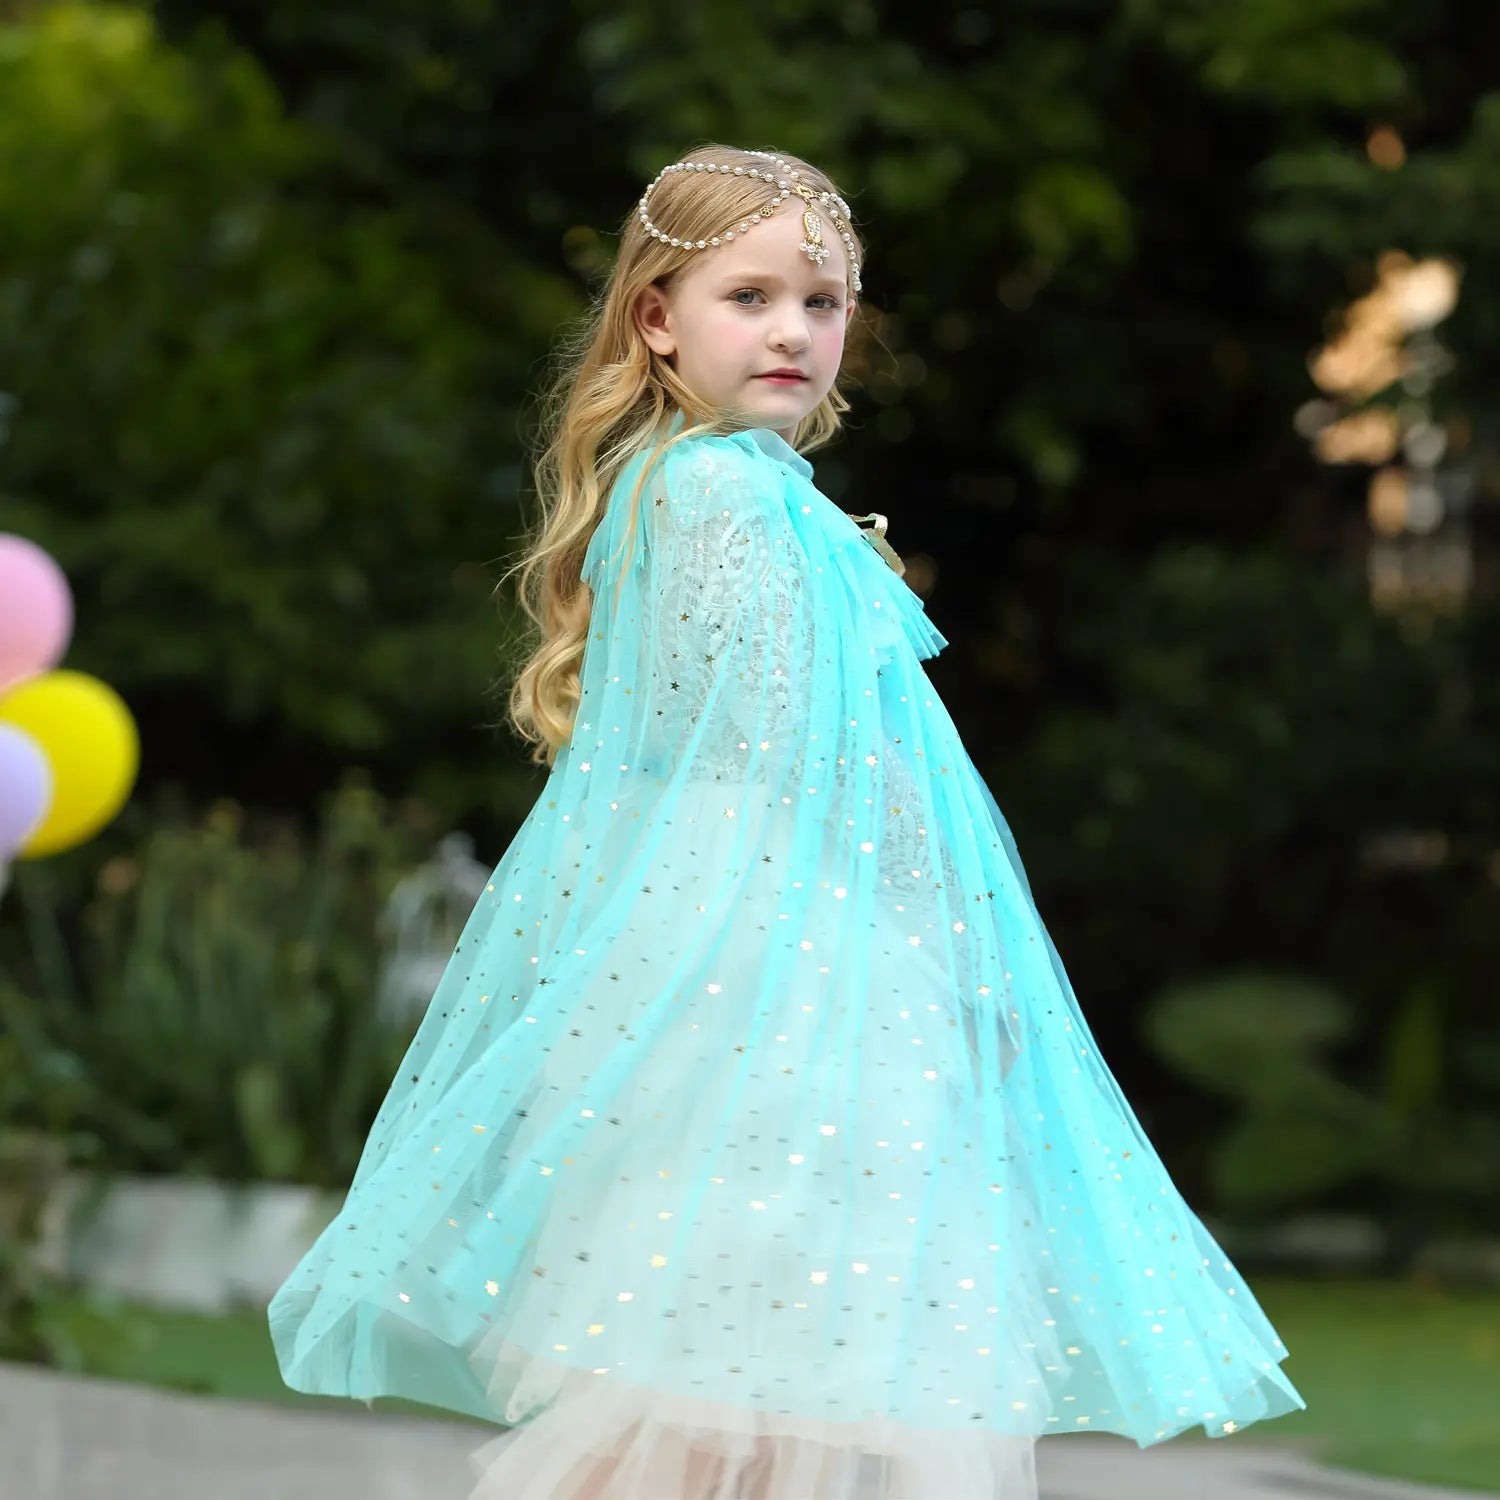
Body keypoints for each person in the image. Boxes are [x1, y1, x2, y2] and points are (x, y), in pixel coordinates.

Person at [268, 143, 1306, 1500]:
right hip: (788, 966)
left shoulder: (729, 488)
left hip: (744, 942)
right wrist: (954, 953)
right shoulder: (721, 495)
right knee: (758, 1353)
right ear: (657, 317)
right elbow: (806, 758)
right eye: (747, 297)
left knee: (733, 1350)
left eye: (821, 305)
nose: (792, 332)